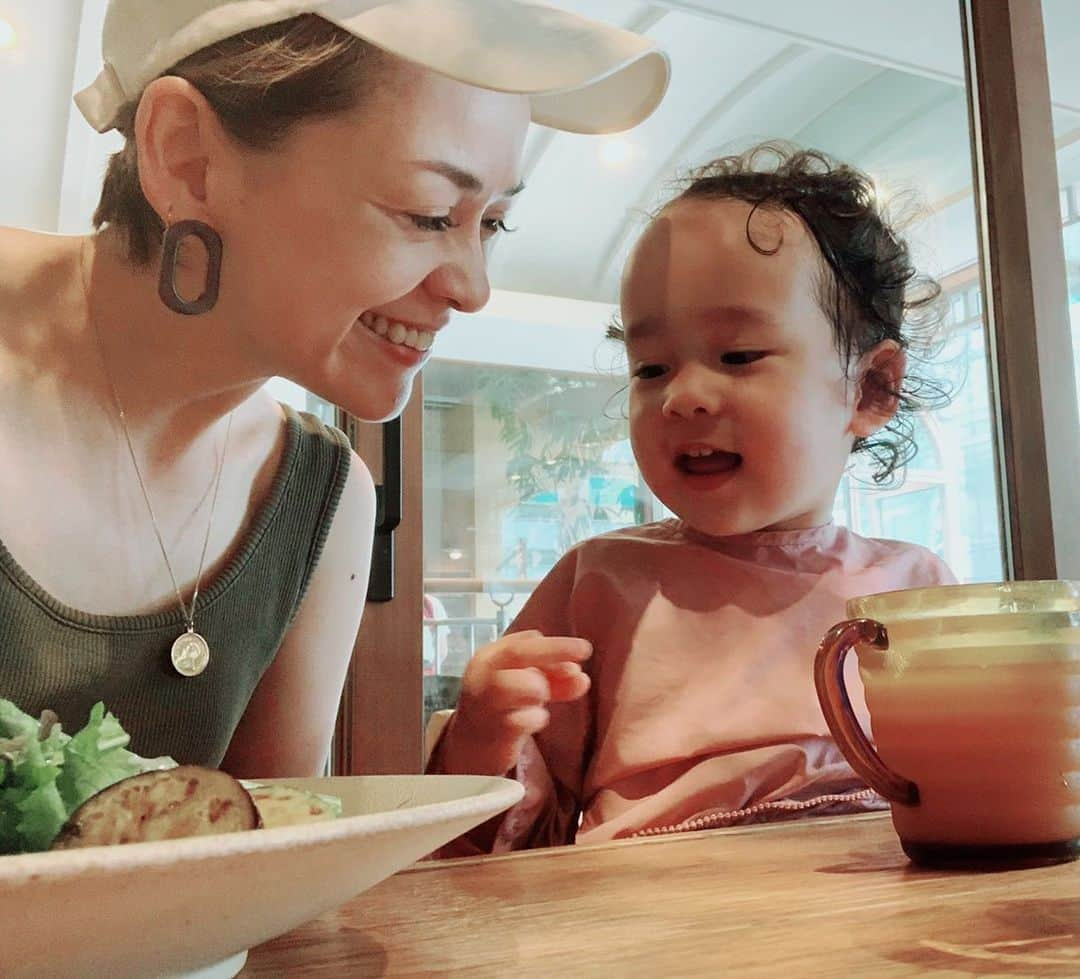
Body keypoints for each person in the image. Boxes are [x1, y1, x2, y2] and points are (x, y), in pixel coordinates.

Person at [0, 1, 669, 776]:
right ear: (186, 157)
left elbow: (268, 864)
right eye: (426, 214)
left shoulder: (320, 499)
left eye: (491, 224)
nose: (473, 289)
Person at [429, 144, 957, 851]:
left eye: (737, 356)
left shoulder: (914, 588)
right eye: (651, 367)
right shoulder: (599, 583)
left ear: (870, 388)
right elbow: (500, 850)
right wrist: (481, 737)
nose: (682, 396)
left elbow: (976, 795)